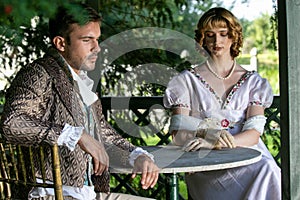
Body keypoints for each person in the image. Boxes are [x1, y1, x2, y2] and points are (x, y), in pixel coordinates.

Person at [0, 3, 159, 200]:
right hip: (51, 194)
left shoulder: (80, 80)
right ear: (60, 43)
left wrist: (138, 156)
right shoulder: (39, 74)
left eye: (97, 39)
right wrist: (77, 135)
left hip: (88, 194)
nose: (97, 48)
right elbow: (12, 123)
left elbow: (104, 134)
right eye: (87, 40)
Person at [163, 7, 281, 200]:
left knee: (268, 169)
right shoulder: (186, 81)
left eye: (223, 34)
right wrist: (210, 141)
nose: (217, 41)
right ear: (202, 39)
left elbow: (254, 133)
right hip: (206, 160)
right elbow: (179, 133)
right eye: (210, 35)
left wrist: (226, 142)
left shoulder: (254, 82)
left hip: (247, 155)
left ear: (233, 36)